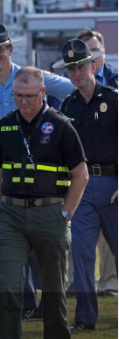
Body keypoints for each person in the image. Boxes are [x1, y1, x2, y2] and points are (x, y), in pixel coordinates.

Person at [0, 67, 88, 339]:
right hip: (11, 217)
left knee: (54, 294)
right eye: (18, 96)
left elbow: (80, 175)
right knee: (8, 289)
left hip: (50, 215)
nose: (23, 102)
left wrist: (65, 216)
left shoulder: (61, 126)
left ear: (43, 93)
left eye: (29, 96)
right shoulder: (4, 127)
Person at [0, 23, 75, 319]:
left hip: (42, 174)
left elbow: (73, 91)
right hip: (5, 172)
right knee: (8, 238)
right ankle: (26, 303)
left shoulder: (30, 78)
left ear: (10, 50)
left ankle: (48, 299)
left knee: (42, 239)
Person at [53, 40, 118, 333]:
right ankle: (85, 318)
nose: (76, 73)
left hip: (114, 185)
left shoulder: (114, 99)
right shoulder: (67, 105)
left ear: (93, 66)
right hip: (82, 187)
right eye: (71, 69)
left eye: (80, 66)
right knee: (81, 252)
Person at [76, 28, 117, 297]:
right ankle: (80, 292)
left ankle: (110, 284)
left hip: (111, 179)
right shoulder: (71, 89)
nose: (90, 55)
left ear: (102, 52)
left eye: (94, 50)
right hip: (83, 179)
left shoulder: (115, 85)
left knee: (111, 242)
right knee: (80, 243)